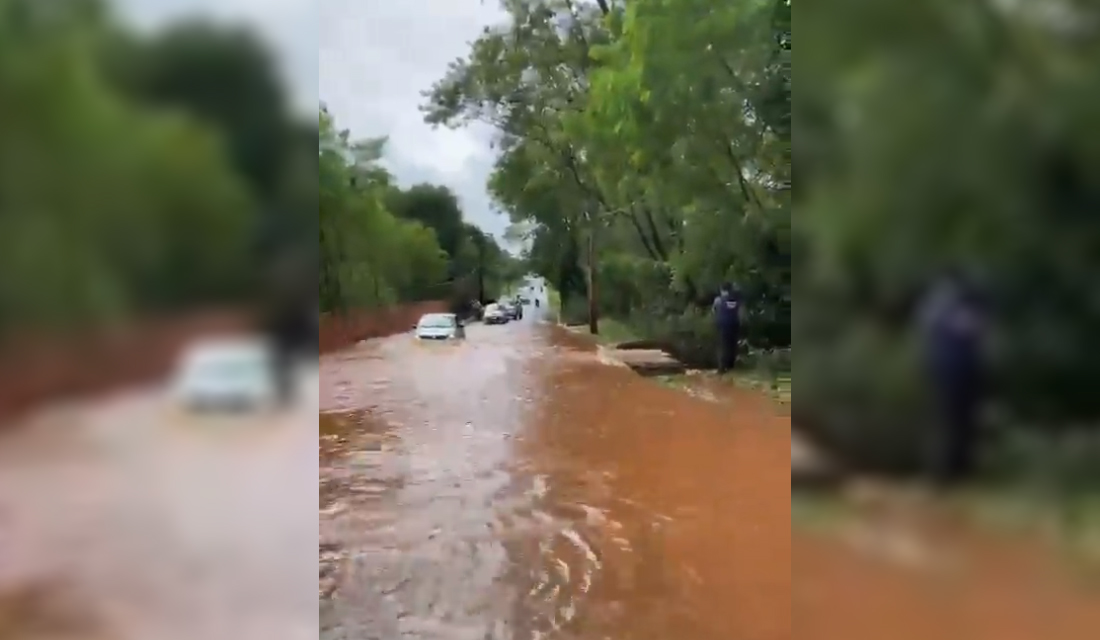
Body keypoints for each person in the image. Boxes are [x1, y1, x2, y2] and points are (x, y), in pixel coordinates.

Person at [917, 267, 986, 487]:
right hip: (954, 368)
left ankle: (952, 471)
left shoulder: (934, 305)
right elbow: (972, 331)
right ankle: (949, 472)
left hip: (946, 368)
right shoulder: (950, 307)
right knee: (954, 422)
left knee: (954, 421)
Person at [712, 282, 742, 374]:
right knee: (732, 345)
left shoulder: (718, 300)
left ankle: (721, 368)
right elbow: (740, 311)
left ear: (722, 290)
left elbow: (714, 310)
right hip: (734, 324)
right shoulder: (736, 300)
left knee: (723, 346)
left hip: (723, 325)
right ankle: (731, 366)